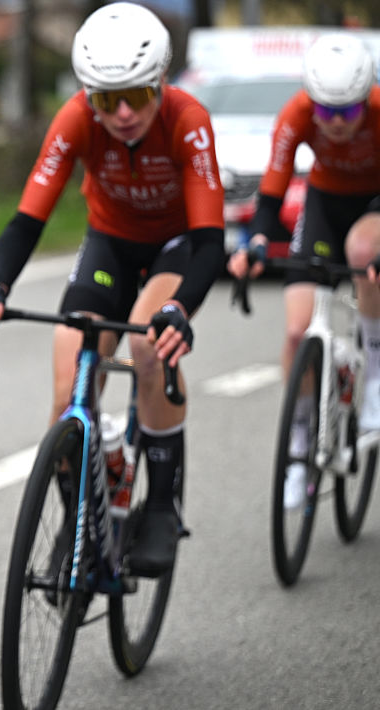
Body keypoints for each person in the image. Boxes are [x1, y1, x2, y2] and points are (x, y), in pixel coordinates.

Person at [0, 1, 225, 576]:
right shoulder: (75, 118)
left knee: (147, 347)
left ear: (160, 83)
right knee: (67, 394)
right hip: (109, 245)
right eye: (108, 100)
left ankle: (160, 505)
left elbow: (210, 241)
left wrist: (182, 307)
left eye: (137, 96)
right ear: (89, 96)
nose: (124, 113)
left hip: (176, 247)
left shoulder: (188, 120)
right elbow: (28, 219)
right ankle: (80, 524)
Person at [228, 32, 380, 510]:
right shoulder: (295, 114)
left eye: (349, 112)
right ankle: (299, 439)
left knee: (361, 252)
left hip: (373, 205)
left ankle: (375, 378)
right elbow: (272, 192)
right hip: (323, 204)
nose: (336, 123)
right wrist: (255, 242)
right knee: (297, 332)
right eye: (326, 111)